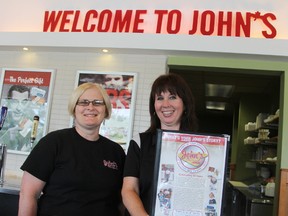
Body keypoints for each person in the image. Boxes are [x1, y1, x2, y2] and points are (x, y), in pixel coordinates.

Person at [18, 83, 126, 216]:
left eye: (98, 102)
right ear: (74, 108)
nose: (90, 107)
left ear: (106, 110)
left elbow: (121, 201)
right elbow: (28, 194)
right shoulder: (53, 142)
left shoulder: (116, 152)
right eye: (83, 102)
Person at [121, 73, 198, 216]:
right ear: (154, 106)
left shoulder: (197, 147)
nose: (166, 104)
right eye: (160, 98)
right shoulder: (139, 142)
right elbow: (129, 189)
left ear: (185, 104)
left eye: (173, 97)